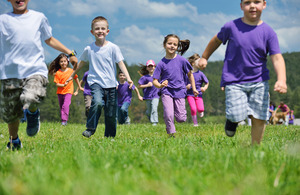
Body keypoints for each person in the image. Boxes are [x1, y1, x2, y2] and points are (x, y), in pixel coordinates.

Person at [197, 0, 287, 144]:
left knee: (259, 116)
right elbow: (216, 41)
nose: (252, 5)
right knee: (236, 114)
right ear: (241, 6)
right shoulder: (231, 27)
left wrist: (281, 79)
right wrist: (204, 57)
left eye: (256, 2)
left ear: (264, 4)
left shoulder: (268, 32)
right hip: (234, 81)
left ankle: (255, 147)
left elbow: (276, 57)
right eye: (247, 2)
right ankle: (232, 121)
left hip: (259, 81)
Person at [0, 0, 78, 150]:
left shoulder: (38, 17)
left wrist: (70, 53)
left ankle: (32, 112)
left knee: (30, 97)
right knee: (11, 113)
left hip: (35, 70)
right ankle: (14, 141)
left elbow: (49, 39)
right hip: (9, 73)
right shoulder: (3, 20)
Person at [68, 16, 133, 138]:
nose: (100, 31)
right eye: (97, 29)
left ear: (107, 31)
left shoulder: (113, 48)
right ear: (92, 32)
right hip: (95, 82)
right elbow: (81, 63)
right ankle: (90, 128)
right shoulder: (89, 49)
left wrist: (128, 78)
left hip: (111, 84)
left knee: (110, 113)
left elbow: (120, 63)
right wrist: (71, 75)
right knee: (97, 102)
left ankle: (109, 137)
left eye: (103, 28)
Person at [153, 34, 199, 138]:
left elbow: (190, 75)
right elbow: (154, 81)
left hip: (180, 91)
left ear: (177, 47)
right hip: (166, 91)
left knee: (181, 119)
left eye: (175, 44)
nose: (172, 46)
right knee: (169, 114)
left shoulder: (182, 60)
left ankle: (177, 120)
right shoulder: (161, 63)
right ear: (164, 45)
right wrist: (160, 85)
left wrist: (194, 88)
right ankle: (171, 133)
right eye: (169, 43)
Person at [49, 53, 82, 126]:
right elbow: (57, 84)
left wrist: (79, 87)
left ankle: (64, 121)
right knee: (62, 107)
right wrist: (63, 85)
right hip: (60, 92)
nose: (63, 63)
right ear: (59, 63)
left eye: (65, 61)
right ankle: (64, 121)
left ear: (68, 62)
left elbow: (76, 78)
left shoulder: (71, 71)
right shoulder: (58, 72)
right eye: (61, 61)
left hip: (69, 91)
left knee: (65, 106)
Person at [186, 54, 209, 127]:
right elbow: (183, 83)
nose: (200, 63)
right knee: (193, 109)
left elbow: (207, 82)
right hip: (189, 94)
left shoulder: (201, 74)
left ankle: (200, 111)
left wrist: (204, 88)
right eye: (198, 61)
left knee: (200, 109)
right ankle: (195, 123)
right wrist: (186, 86)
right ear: (193, 63)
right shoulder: (187, 74)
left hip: (199, 94)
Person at [138, 60, 160, 126]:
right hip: (147, 97)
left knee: (154, 108)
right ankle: (148, 114)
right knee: (149, 111)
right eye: (149, 66)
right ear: (147, 68)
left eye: (152, 66)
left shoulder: (158, 76)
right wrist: (147, 85)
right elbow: (139, 86)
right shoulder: (144, 77)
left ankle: (154, 122)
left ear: (154, 67)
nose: (151, 68)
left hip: (156, 96)